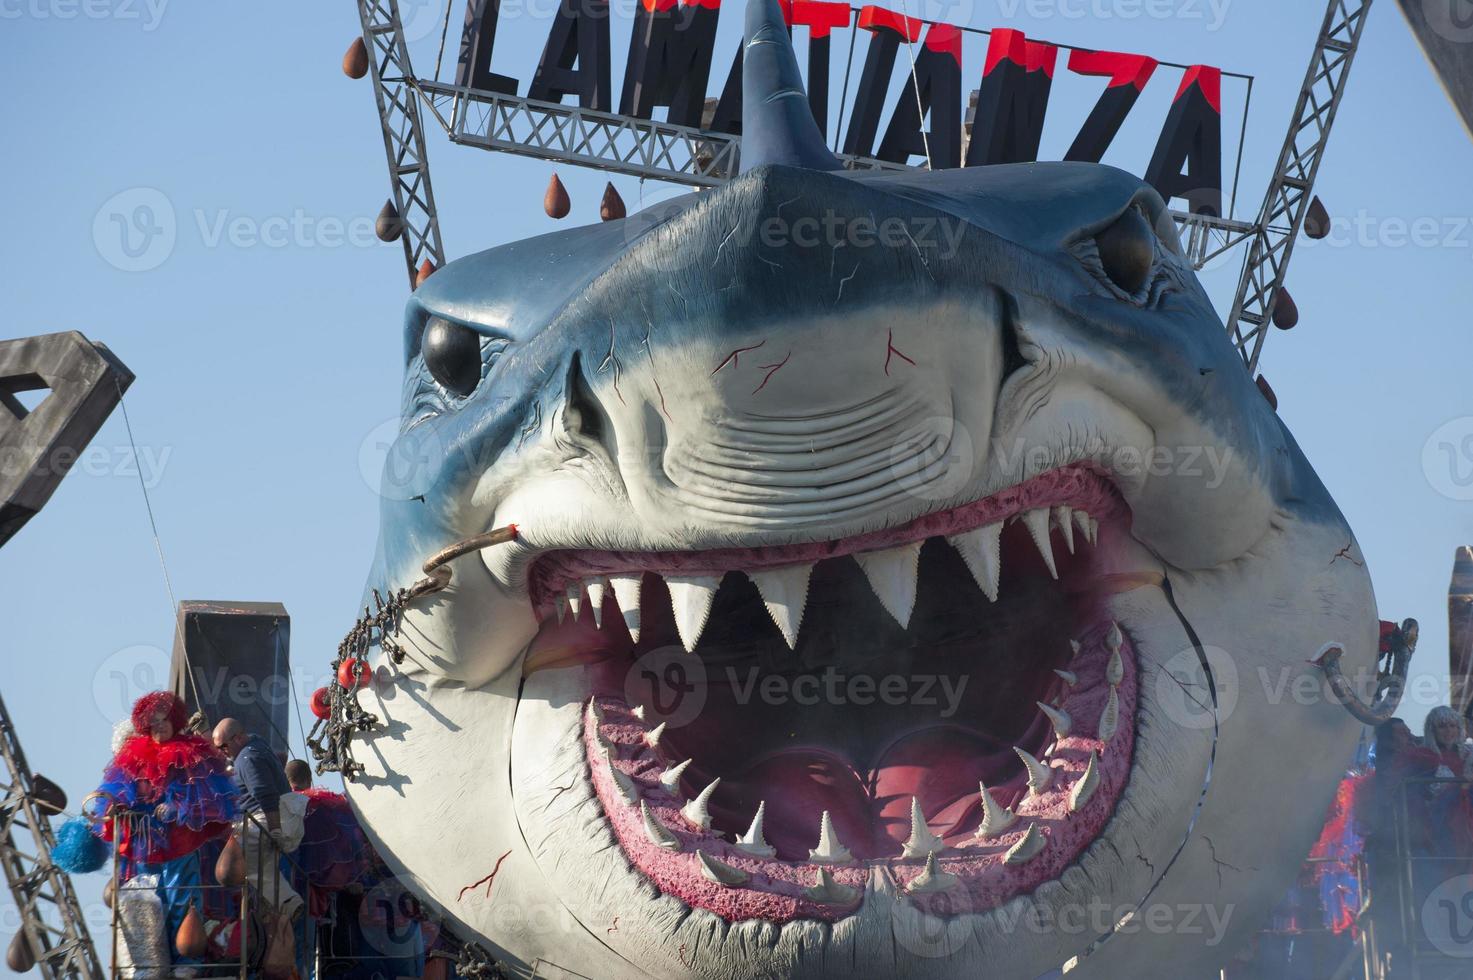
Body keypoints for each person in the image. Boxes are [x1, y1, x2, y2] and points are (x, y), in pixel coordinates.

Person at [82, 692, 238, 975]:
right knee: (146, 900)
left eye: (165, 719)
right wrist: (117, 807)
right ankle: (152, 963)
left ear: (174, 720)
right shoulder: (133, 755)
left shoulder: (189, 751)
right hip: (144, 840)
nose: (160, 725)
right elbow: (118, 790)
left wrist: (177, 807)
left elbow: (204, 793)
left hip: (179, 841)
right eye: (154, 721)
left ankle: (185, 962)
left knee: (182, 897)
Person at [212, 718, 304, 918]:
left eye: (223, 746)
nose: (220, 751)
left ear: (238, 738)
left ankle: (284, 903)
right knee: (261, 869)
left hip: (265, 817)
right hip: (279, 815)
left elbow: (265, 794)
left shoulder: (247, 759)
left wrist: (275, 830)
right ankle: (283, 906)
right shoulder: (256, 744)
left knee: (236, 867)